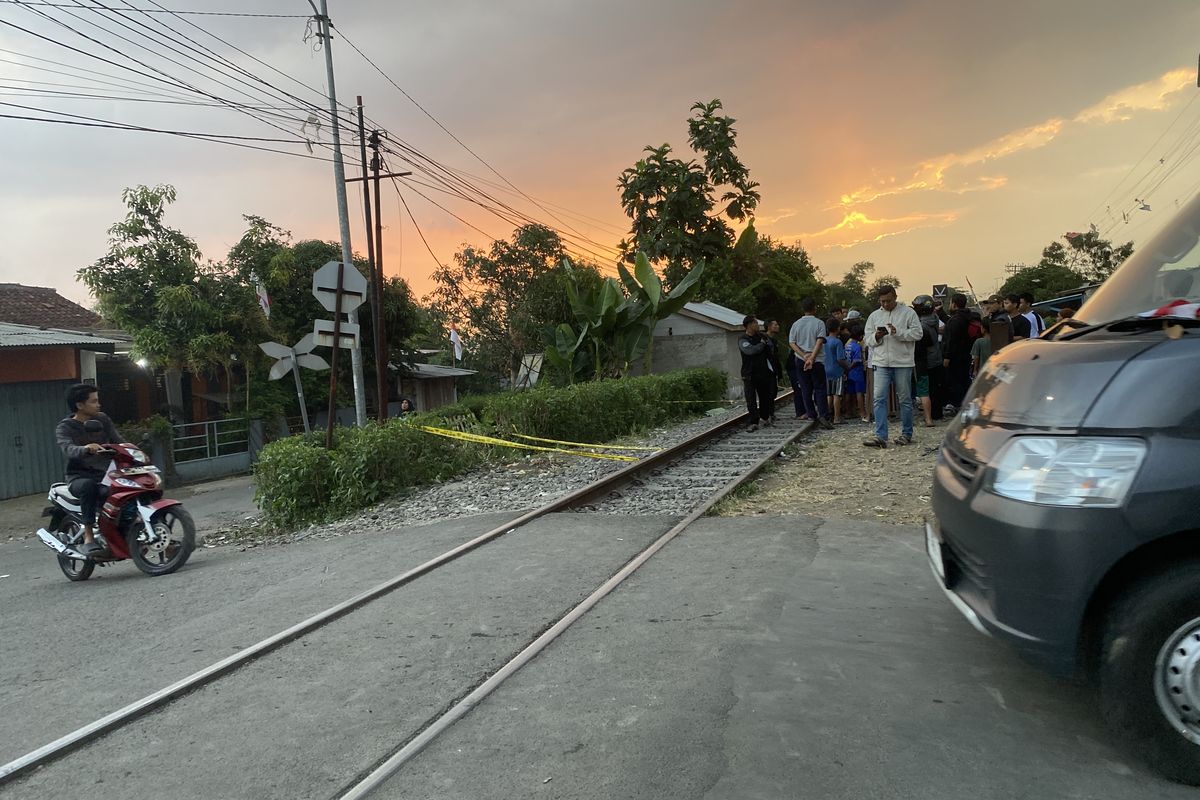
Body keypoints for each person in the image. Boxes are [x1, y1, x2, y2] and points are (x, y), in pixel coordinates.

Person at [55, 383, 124, 555]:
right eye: (93, 401)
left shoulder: (102, 419)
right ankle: (88, 537)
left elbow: (118, 440)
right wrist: (86, 448)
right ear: (79, 405)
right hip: (79, 477)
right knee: (88, 487)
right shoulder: (65, 427)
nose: (98, 405)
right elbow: (68, 449)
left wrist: (132, 450)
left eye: (97, 401)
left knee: (127, 488)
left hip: (106, 474)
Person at [863, 285, 923, 447]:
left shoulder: (908, 313)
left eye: (888, 301)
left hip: (903, 362)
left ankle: (906, 434)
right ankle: (881, 435)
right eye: (882, 301)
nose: (885, 304)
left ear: (895, 297)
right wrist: (876, 336)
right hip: (881, 362)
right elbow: (867, 339)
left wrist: (899, 333)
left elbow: (918, 333)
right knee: (879, 398)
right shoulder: (874, 316)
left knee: (904, 399)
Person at [787, 298, 833, 429]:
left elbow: (792, 342)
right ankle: (823, 415)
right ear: (814, 308)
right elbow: (819, 341)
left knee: (805, 388)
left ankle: (811, 414)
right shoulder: (819, 323)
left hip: (800, 360)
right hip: (817, 360)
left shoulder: (796, 324)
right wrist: (812, 358)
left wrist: (803, 356)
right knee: (820, 388)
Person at [738, 315, 776, 430]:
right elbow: (750, 351)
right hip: (749, 373)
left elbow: (771, 347)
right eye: (755, 323)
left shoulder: (762, 336)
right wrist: (762, 344)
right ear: (749, 325)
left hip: (763, 372)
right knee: (751, 399)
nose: (757, 325)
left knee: (765, 397)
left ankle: (765, 417)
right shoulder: (743, 339)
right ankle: (753, 421)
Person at [941, 292, 974, 414]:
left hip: (955, 357)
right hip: (967, 354)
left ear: (954, 304)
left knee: (954, 381)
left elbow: (952, 340)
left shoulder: (956, 320)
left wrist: (947, 356)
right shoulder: (969, 317)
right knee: (964, 379)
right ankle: (965, 403)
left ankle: (956, 404)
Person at [911, 295, 940, 428]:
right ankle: (936, 413)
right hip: (935, 356)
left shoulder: (921, 326)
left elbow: (920, 346)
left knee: (925, 390)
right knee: (934, 387)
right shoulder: (934, 318)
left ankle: (929, 417)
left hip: (925, 359)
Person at [822, 317, 851, 424]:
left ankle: (827, 416)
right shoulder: (837, 342)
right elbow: (840, 359)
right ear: (838, 328)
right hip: (837, 371)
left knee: (829, 394)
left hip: (826, 370)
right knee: (837, 395)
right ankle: (837, 417)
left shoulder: (824, 341)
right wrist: (847, 367)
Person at [845, 326, 868, 422]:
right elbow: (857, 360)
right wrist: (851, 367)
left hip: (848, 372)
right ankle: (862, 412)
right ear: (859, 335)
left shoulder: (847, 345)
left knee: (849, 393)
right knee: (859, 392)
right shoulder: (857, 346)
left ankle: (848, 412)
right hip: (857, 371)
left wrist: (847, 368)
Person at [762, 319, 783, 425]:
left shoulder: (774, 341)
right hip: (767, 370)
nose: (777, 326)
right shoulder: (763, 339)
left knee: (773, 392)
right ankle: (767, 415)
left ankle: (771, 413)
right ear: (769, 327)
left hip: (773, 369)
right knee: (768, 393)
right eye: (775, 325)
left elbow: (776, 357)